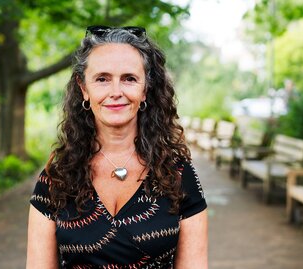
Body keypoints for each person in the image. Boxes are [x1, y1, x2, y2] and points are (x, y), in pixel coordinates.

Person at [26, 25, 208, 269]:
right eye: (102, 79)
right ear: (84, 89)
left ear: (145, 90)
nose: (115, 92)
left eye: (129, 79)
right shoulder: (56, 179)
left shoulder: (178, 174)